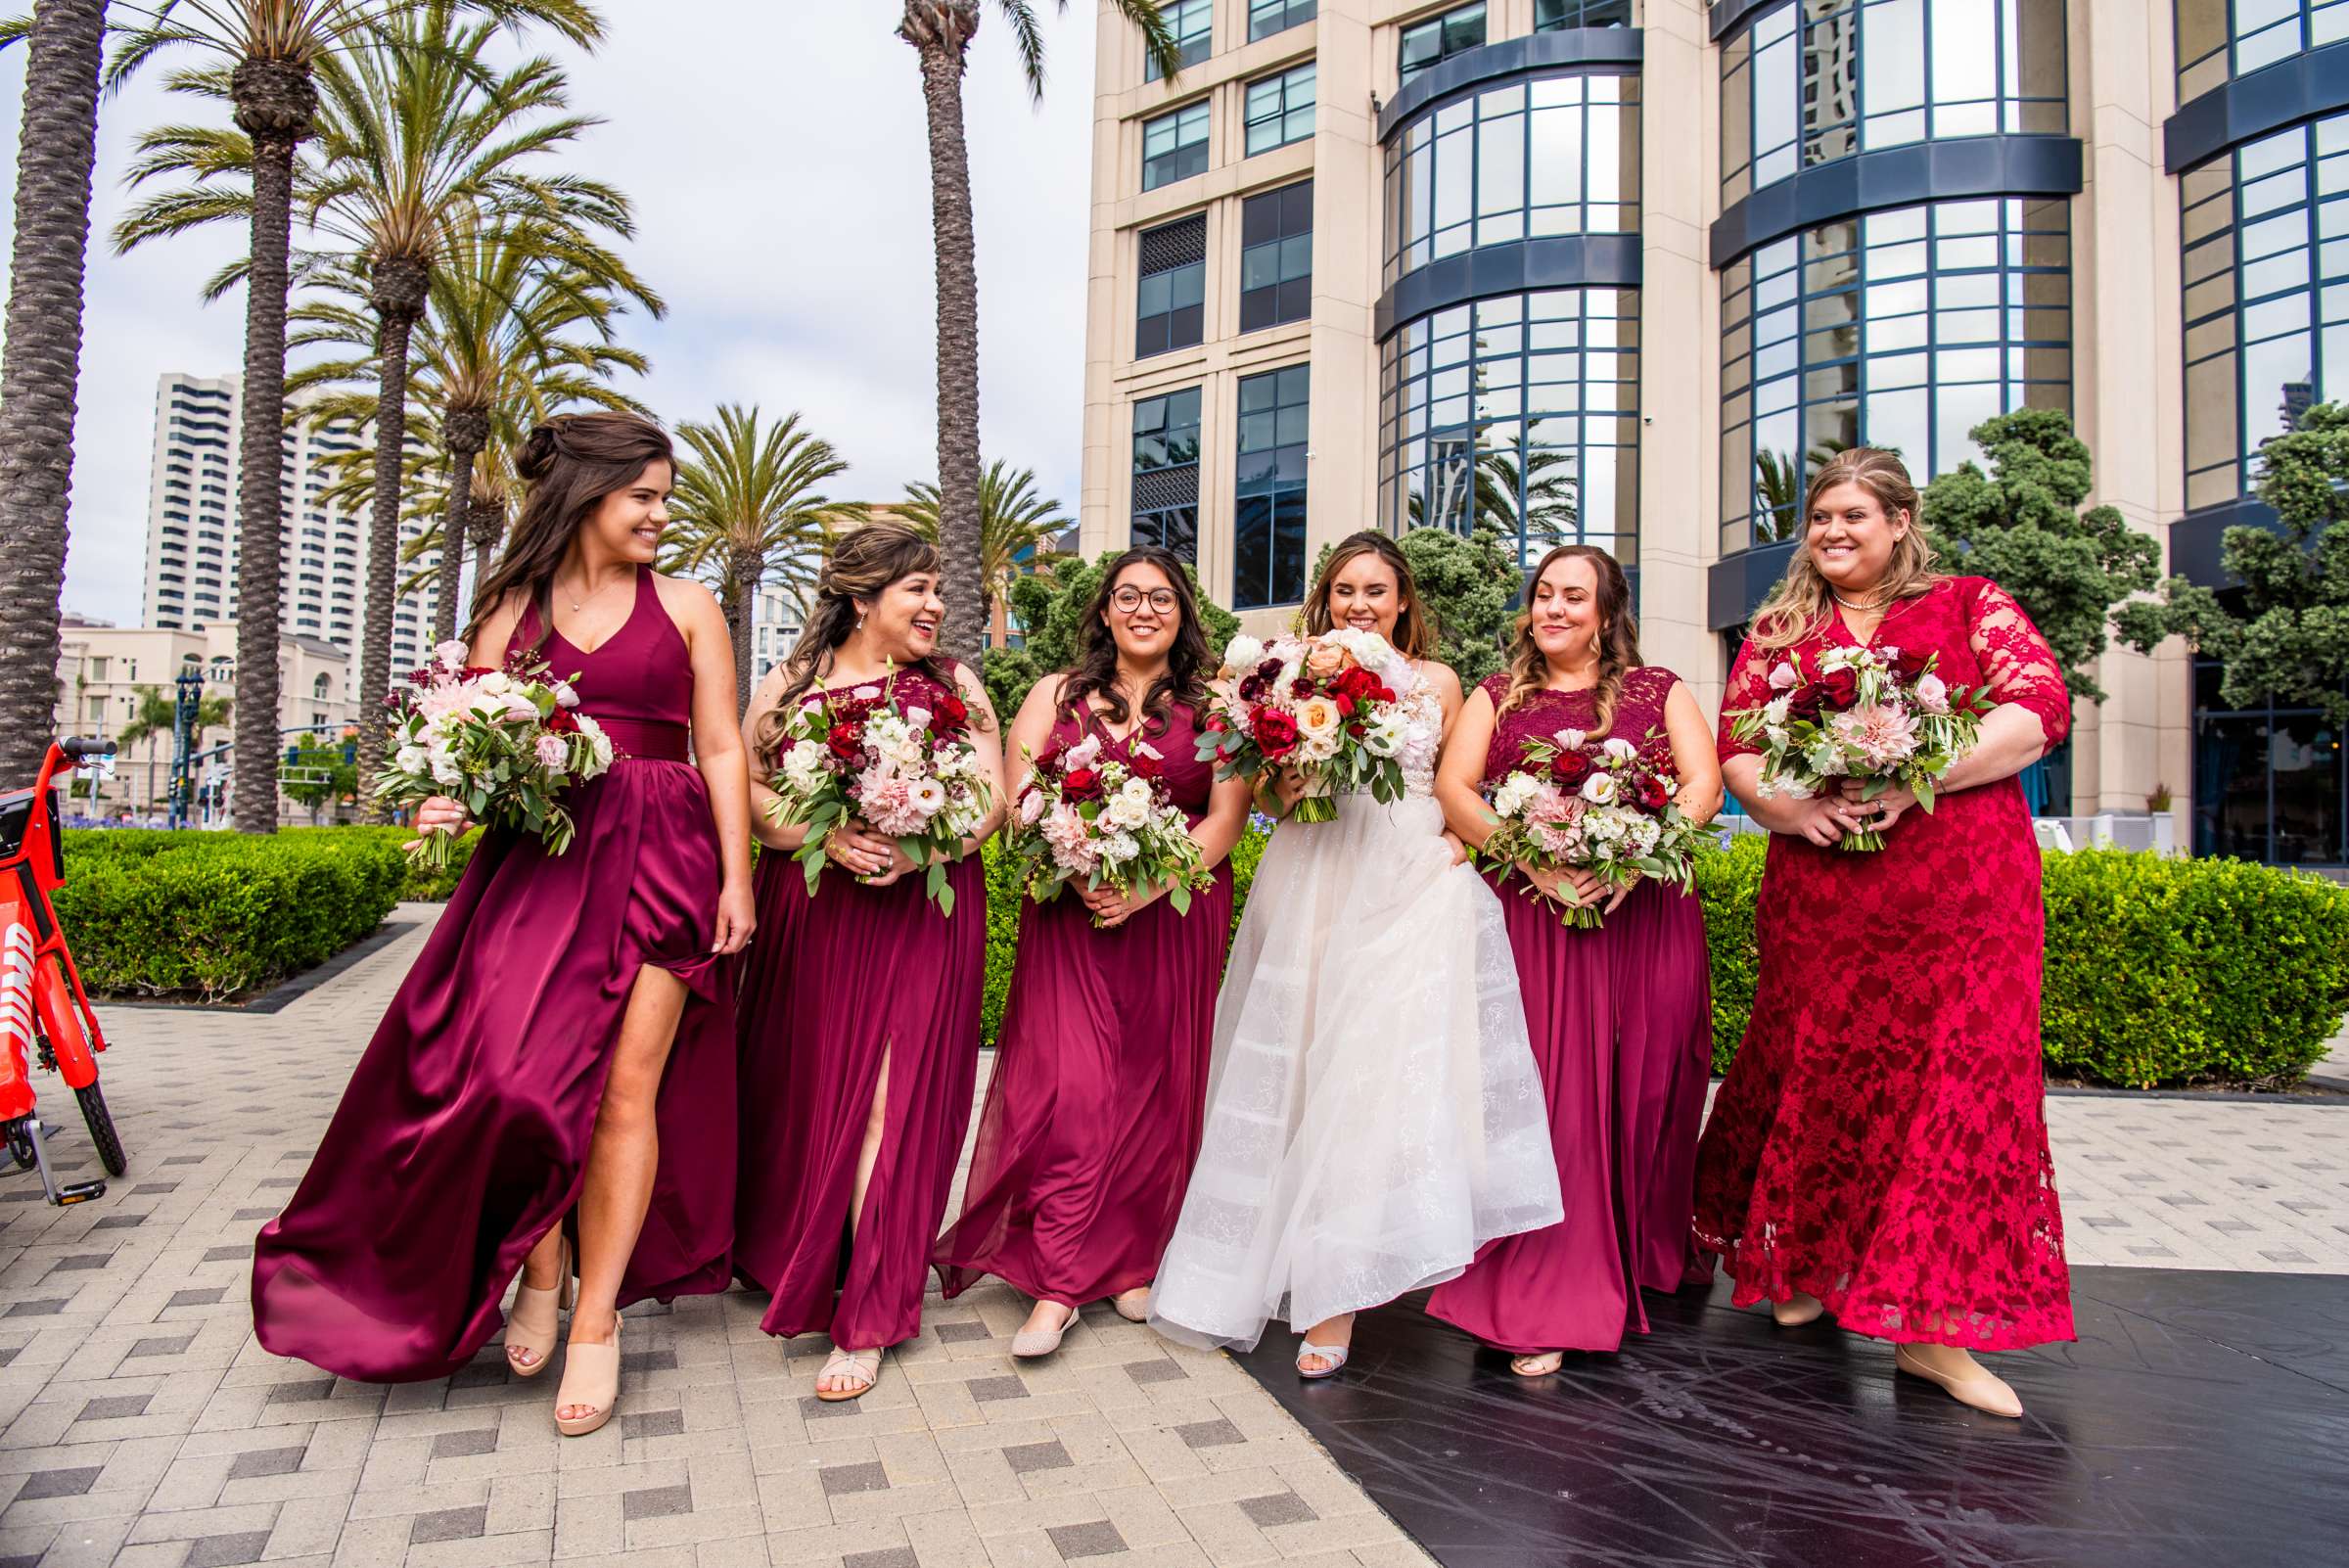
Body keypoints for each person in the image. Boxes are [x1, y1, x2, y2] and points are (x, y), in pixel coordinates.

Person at [253, 412, 754, 1438]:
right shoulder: (509, 615)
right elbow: (478, 753)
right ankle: (544, 1254)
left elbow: (720, 749)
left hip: (666, 858)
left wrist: (737, 879)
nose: (664, 513)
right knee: (508, 1084)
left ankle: (598, 1323)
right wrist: (445, 800)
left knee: (625, 1094)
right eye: (644, 496)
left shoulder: (694, 606)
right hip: (544, 862)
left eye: (667, 495)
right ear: (585, 498)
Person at [1692, 447, 2074, 1418]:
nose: (1832, 533)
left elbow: (2037, 711)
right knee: (1822, 1070)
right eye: (1819, 518)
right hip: (1828, 889)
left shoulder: (1970, 604)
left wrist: (1917, 771)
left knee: (1951, 1086)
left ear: (1901, 521)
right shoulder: (1782, 628)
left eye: (1853, 516)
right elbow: (1738, 744)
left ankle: (1929, 1336)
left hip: (1961, 893)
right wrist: (1780, 809)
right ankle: (1804, 1267)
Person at [1148, 530, 1563, 1376]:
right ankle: (1288, 1268)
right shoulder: (1285, 670)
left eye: (1376, 590)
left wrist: (1457, 850)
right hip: (1314, 878)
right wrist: (1288, 778)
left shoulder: (1441, 682)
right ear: (1325, 598)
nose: (1359, 605)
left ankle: (1340, 1297)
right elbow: (1262, 789)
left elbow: (1462, 786)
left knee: (1377, 1079)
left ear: (1404, 600)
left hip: (1408, 881)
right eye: (1344, 591)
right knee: (1305, 1074)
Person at [933, 549, 1252, 1357]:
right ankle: (1058, 1282)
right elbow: (1023, 802)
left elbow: (1224, 821)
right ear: (1104, 611)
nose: (1144, 609)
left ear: (1184, 612)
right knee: (1072, 1089)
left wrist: (1149, 886)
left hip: (1173, 912)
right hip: (1070, 914)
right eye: (1127, 597)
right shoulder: (1053, 695)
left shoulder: (1217, 703)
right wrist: (1077, 870)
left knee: (1153, 1090)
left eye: (1161, 597)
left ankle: (1132, 1256)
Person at [1428, 545, 1722, 1375]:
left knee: (1647, 1087)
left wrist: (1634, 854)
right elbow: (1457, 788)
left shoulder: (1658, 690)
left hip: (1645, 914)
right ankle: (1550, 1288)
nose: (1553, 609)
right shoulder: (1496, 694)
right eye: (1544, 594)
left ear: (1607, 612)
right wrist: (1529, 859)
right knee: (1556, 1099)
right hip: (1539, 919)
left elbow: (1701, 785)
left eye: (1574, 597)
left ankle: (1637, 1256)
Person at [733, 524, 1004, 1403]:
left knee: (895, 1094)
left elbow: (992, 796)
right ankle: (803, 1253)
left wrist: (928, 849)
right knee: (813, 1089)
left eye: (937, 589)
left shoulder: (955, 683)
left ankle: (872, 1312)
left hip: (925, 912)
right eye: (916, 590)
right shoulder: (790, 685)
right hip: (815, 913)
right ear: (861, 598)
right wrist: (821, 832)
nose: (936, 606)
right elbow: (751, 791)